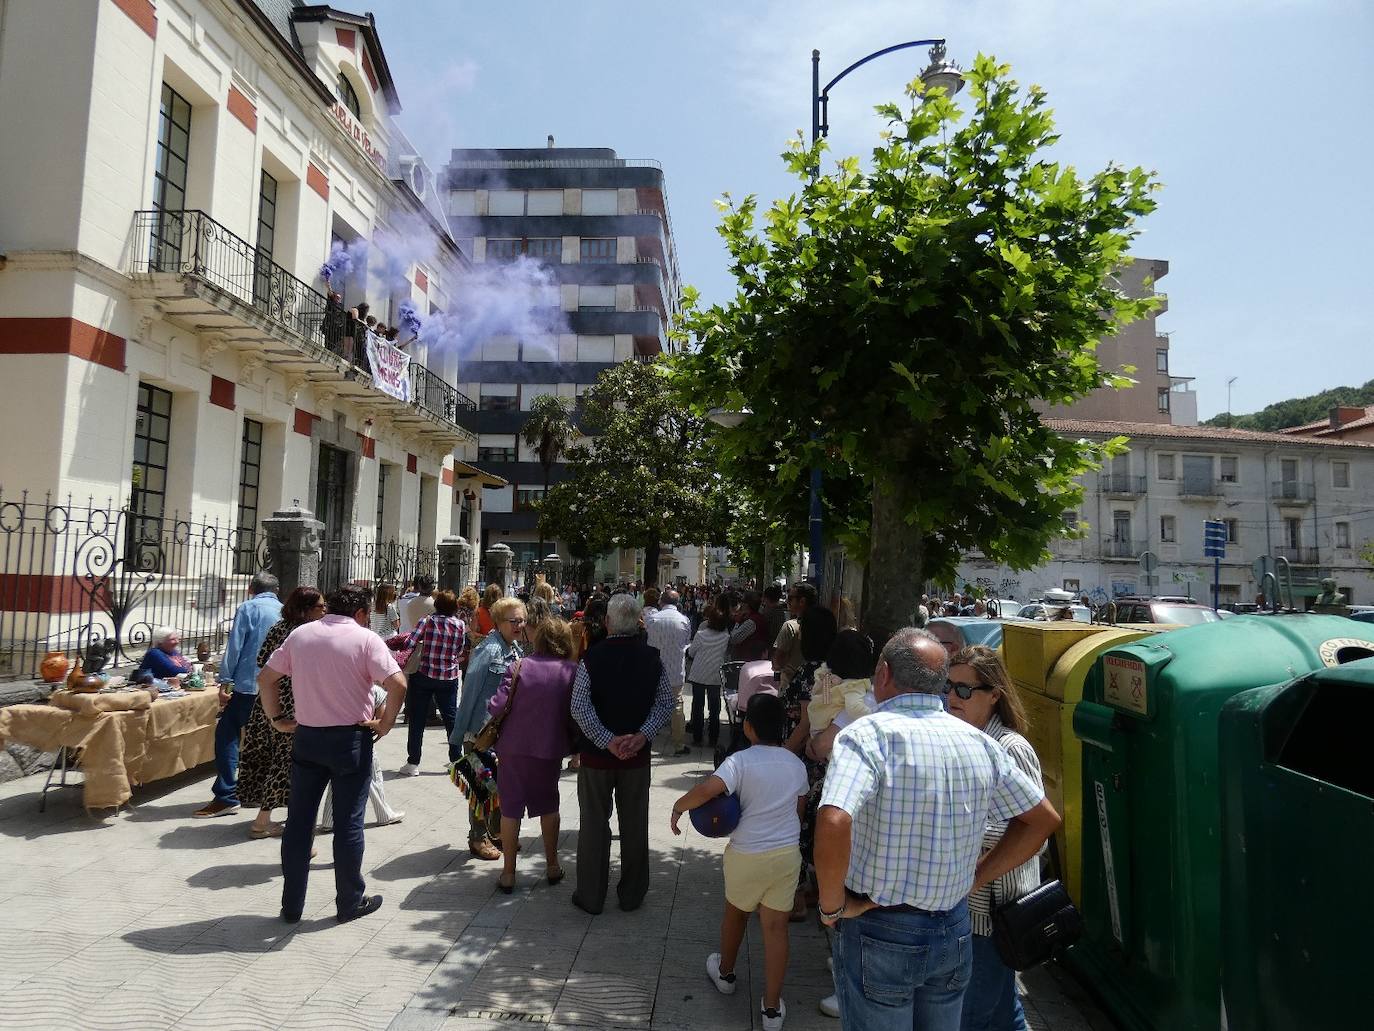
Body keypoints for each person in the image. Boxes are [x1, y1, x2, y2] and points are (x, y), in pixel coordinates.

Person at [814, 628, 1061, 1031]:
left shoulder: (867, 735)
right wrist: (976, 877)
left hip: (882, 927)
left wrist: (832, 905)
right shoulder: (978, 742)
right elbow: (1043, 819)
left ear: (883, 675)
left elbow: (834, 819)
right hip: (954, 927)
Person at [258, 584, 406, 925]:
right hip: (350, 739)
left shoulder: (300, 636)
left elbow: (266, 678)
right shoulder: (366, 639)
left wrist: (278, 718)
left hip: (308, 737)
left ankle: (291, 905)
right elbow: (398, 684)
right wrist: (384, 724)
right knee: (348, 823)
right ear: (361, 613)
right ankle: (349, 901)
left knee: (299, 822)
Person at [671, 694, 808, 1031]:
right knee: (776, 928)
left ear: (748, 727)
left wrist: (679, 806)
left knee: (736, 915)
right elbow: (799, 809)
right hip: (786, 855)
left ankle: (726, 973)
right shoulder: (796, 764)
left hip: (746, 853)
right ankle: (772, 1009)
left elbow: (707, 791)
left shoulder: (739, 762)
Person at [946, 645, 1043, 1031]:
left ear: (994, 695)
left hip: (994, 914)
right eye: (949, 687)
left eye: (965, 690)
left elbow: (1033, 828)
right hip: (973, 910)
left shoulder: (1009, 748)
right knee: (1003, 1015)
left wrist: (953, 825)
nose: (953, 697)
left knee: (971, 1018)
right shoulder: (964, 740)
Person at [570, 594, 673, 915]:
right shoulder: (651, 658)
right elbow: (665, 702)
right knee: (635, 824)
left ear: (607, 622)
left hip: (597, 758)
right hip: (636, 759)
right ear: (638, 623)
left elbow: (578, 706)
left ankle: (591, 895)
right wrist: (642, 736)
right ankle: (632, 894)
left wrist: (606, 740)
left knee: (593, 826)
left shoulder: (591, 659)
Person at [488, 616, 578, 893]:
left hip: (512, 747)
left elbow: (496, 705)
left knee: (510, 808)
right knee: (549, 805)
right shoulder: (572, 670)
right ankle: (552, 865)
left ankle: (508, 873)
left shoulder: (519, 666)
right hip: (549, 748)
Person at [236, 586, 324, 838]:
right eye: (320, 607)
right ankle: (262, 821)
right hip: (292, 705)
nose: (324, 611)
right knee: (285, 763)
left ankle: (272, 816)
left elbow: (262, 660)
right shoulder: (305, 633)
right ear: (306, 609)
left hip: (268, 701)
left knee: (270, 758)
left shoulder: (278, 627)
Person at [194, 573, 282, 819]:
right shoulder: (284, 611)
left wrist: (225, 681)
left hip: (248, 684)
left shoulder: (249, 608)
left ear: (251, 588)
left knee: (227, 735)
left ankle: (226, 794)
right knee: (266, 740)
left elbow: (235, 645)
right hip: (275, 685)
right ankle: (260, 792)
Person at [451, 596, 525, 859]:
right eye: (513, 621)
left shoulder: (515, 649)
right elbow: (469, 692)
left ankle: (497, 832)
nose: (519, 625)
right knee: (481, 787)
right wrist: (460, 734)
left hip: (503, 731)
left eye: (521, 620)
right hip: (480, 731)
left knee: (501, 785)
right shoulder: (488, 650)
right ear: (498, 621)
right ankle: (477, 837)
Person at [396, 589, 466, 777]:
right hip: (448, 676)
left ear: (437, 605)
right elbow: (459, 650)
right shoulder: (459, 624)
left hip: (425, 674)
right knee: (451, 718)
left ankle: (413, 762)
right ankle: (456, 759)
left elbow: (410, 643)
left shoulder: (427, 621)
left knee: (417, 718)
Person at [320, 681, 404, 832]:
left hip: (335, 736)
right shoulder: (375, 691)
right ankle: (384, 813)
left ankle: (329, 819)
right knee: (373, 775)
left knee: (337, 776)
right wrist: (372, 725)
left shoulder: (337, 687)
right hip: (362, 738)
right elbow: (382, 721)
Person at [645, 588, 693, 756]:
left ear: (661, 602)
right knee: (677, 706)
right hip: (674, 670)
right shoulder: (684, 620)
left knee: (650, 705)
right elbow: (687, 643)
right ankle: (678, 743)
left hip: (653, 670)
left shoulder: (652, 619)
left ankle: (646, 740)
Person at [685, 603, 731, 748]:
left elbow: (691, 652)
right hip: (715, 675)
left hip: (699, 673)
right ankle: (713, 738)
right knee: (714, 707)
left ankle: (697, 738)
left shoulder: (701, 635)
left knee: (698, 706)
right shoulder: (725, 637)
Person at [772, 583, 818, 689]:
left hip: (791, 685)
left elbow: (778, 660)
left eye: (790, 598)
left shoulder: (789, 626)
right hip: (817, 685)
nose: (787, 601)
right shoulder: (823, 626)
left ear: (802, 601)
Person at [728, 591, 769, 662]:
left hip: (747, 660)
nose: (740, 604)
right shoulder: (758, 617)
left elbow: (734, 639)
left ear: (746, 605)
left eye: (742, 602)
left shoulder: (751, 622)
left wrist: (737, 622)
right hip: (754, 660)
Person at [760, 584, 787, 660]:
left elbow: (772, 633)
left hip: (771, 648)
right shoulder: (780, 611)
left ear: (766, 598)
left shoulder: (770, 612)